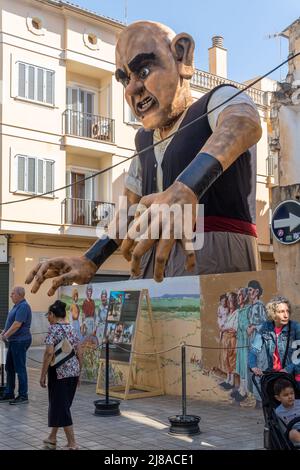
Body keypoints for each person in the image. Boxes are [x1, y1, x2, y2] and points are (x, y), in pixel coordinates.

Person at [25, 20, 262, 295]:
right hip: (153, 263)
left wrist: (185, 188)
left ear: (182, 56)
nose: (130, 90)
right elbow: (127, 210)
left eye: (144, 71)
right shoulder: (144, 140)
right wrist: (90, 259)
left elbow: (245, 122)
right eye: (125, 79)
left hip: (213, 257)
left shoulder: (218, 100)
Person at [40, 300, 82, 450]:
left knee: (62, 407)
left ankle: (72, 443)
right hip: (73, 372)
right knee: (62, 405)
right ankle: (52, 437)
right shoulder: (71, 328)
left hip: (59, 373)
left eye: (48, 315)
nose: (47, 318)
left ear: (52, 314)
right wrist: (79, 373)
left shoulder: (53, 329)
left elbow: (49, 353)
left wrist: (42, 375)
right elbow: (80, 351)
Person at [249, 296, 300, 386]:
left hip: (292, 377)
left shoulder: (295, 328)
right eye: (281, 312)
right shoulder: (265, 328)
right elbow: (254, 350)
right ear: (273, 314)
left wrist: (288, 369)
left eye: (287, 311)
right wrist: (253, 366)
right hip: (274, 376)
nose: (286, 315)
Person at [0, 286, 32, 404]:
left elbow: (17, 324)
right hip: (14, 341)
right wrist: (4, 332)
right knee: (9, 367)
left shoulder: (23, 306)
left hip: (20, 341)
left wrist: (5, 336)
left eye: (12, 293)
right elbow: (10, 323)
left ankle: (23, 396)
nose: (10, 295)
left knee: (20, 368)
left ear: (19, 295)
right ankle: (9, 393)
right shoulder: (16, 306)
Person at [232, 287, 251, 403]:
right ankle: (241, 388)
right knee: (240, 364)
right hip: (240, 340)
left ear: (245, 297)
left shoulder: (248, 310)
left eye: (240, 295)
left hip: (246, 341)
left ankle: (245, 391)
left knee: (244, 365)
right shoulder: (240, 310)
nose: (238, 297)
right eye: (238, 295)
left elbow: (247, 325)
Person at [219, 292, 238, 390]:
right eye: (228, 300)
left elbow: (234, 328)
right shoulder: (227, 312)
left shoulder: (237, 313)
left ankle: (232, 381)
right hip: (225, 338)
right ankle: (228, 379)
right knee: (225, 358)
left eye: (231, 300)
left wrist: (225, 329)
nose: (229, 302)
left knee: (231, 359)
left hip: (231, 338)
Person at [274, 378, 300, 444]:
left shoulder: (299, 403)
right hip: (293, 432)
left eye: (292, 393)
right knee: (292, 433)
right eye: (286, 395)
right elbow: (282, 429)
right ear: (278, 398)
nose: (290, 397)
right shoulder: (278, 412)